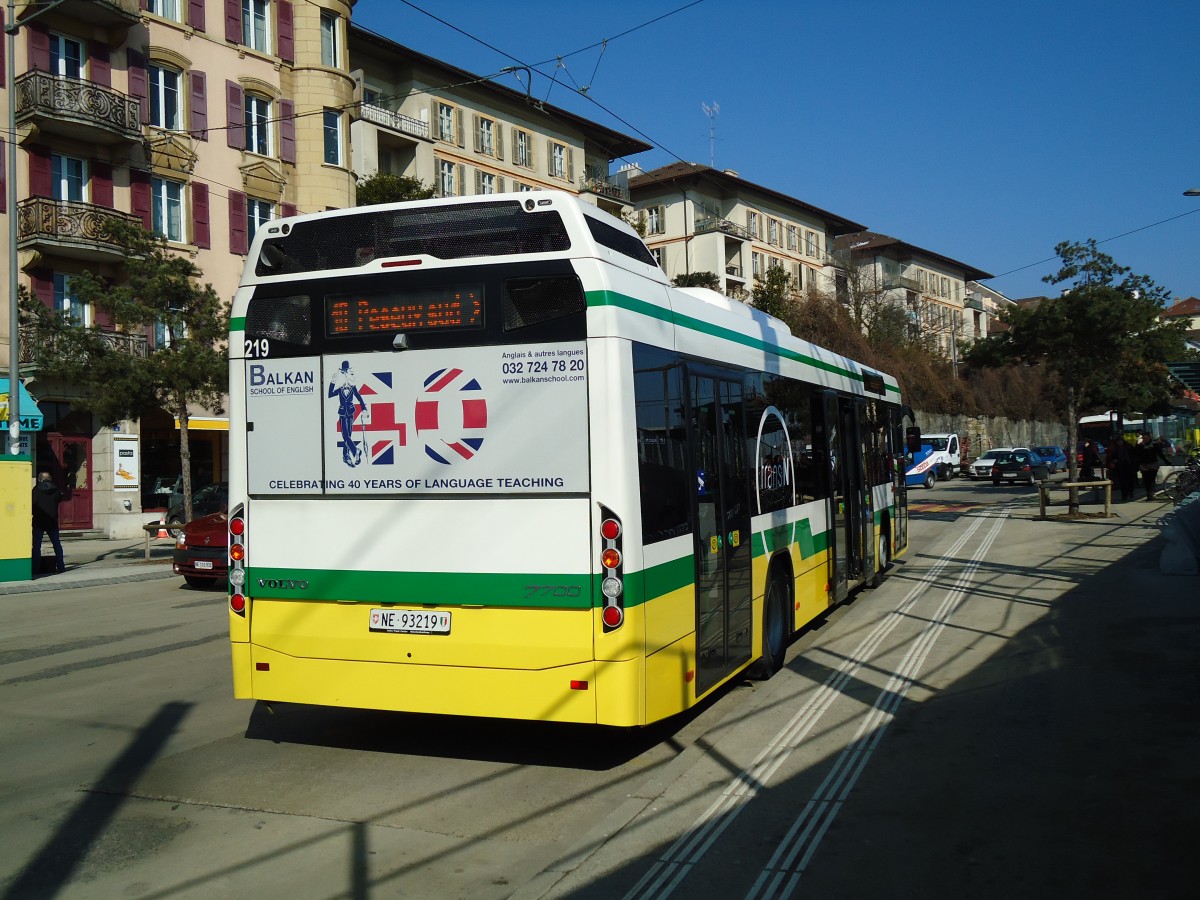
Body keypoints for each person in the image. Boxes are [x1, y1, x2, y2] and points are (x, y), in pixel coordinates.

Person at [32, 471, 65, 575]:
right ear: (50, 478)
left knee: (37, 546)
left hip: (39, 521)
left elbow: (32, 504)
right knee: (56, 544)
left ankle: (35, 569)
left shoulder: (36, 490)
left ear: (40, 479)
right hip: (52, 521)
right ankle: (61, 566)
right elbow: (59, 499)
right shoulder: (56, 490)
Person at [1134, 431, 1169, 501]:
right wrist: (1138, 465)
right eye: (1144, 438)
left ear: (1149, 438)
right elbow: (1136, 455)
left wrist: (1166, 461)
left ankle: (1151, 494)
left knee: (1152, 479)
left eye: (1146, 438)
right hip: (1144, 465)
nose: (1145, 440)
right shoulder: (1140, 445)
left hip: (1153, 465)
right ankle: (1149, 494)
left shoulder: (1154, 445)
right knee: (1146, 480)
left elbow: (1160, 454)